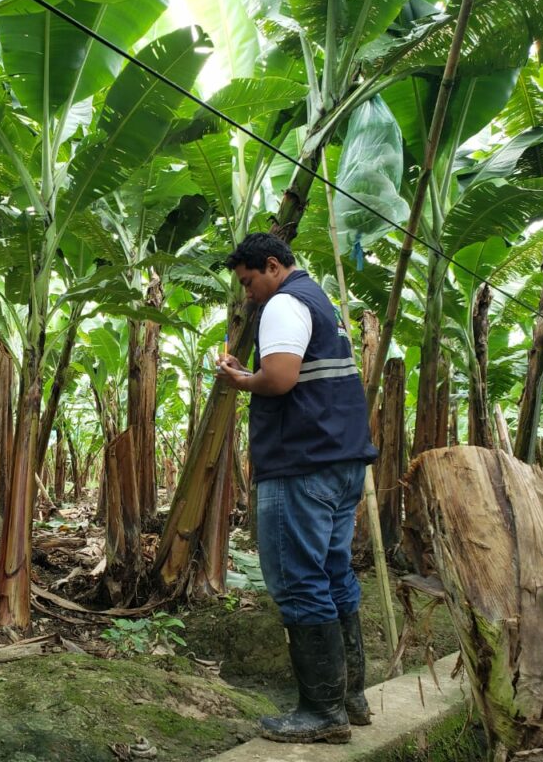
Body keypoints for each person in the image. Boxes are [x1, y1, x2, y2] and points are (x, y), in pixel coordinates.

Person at [217, 232, 378, 745]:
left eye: (248, 282)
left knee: (298, 580)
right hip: (342, 459)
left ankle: (321, 711)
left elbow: (280, 378)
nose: (248, 295)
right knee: (333, 574)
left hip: (302, 463)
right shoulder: (321, 302)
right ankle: (350, 697)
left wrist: (239, 378)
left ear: (270, 265)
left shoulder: (284, 304)